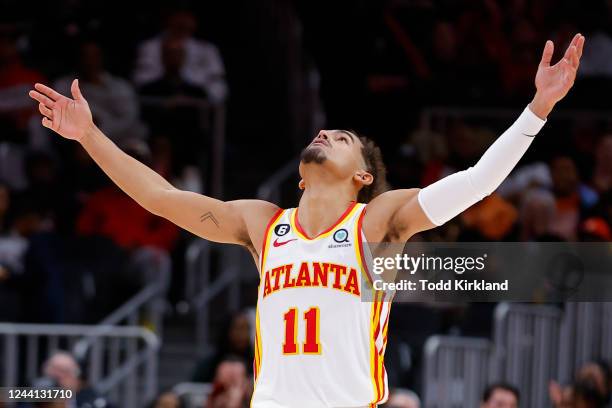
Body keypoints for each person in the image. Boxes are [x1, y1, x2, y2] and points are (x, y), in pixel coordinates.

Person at [29, 34, 585, 408]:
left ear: (363, 176)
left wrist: (538, 109)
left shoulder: (378, 223)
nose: (324, 134)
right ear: (299, 177)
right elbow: (160, 197)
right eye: (322, 133)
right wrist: (89, 136)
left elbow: (477, 181)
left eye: (340, 138)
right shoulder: (262, 223)